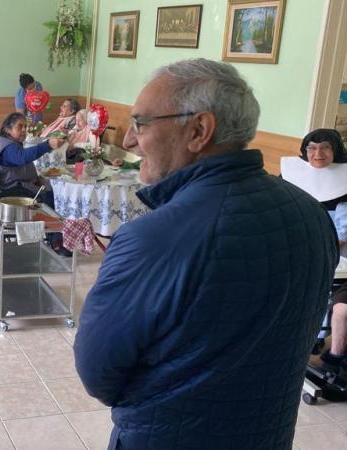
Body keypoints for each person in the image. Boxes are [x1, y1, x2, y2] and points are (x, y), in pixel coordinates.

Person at [73, 58, 338, 449]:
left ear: (199, 130)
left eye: (141, 123)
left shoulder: (152, 239)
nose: (128, 140)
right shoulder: (311, 215)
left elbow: (98, 373)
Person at [280, 128, 347, 373]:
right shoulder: (291, 176)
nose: (318, 153)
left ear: (336, 150)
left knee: (325, 288)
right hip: (298, 243)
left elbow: (342, 231)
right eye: (311, 148)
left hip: (337, 250)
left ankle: (317, 338)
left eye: (325, 147)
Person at [0, 112, 65, 203]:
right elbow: (22, 157)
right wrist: (47, 145)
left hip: (11, 185)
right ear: (8, 130)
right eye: (19, 126)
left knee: (49, 187)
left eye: (25, 126)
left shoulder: (4, 142)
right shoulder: (8, 147)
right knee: (54, 196)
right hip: (11, 190)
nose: (24, 130)